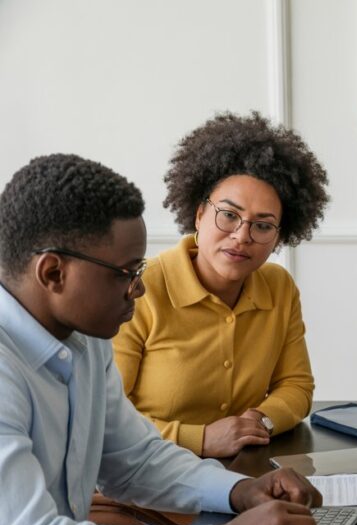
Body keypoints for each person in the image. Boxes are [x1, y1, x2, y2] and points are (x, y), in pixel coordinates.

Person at [0, 154, 322, 525]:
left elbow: (134, 460)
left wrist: (240, 490)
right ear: (53, 272)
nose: (139, 290)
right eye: (126, 274)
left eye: (140, 271)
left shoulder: (84, 343)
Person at [113, 111, 327, 460]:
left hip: (244, 473)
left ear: (278, 237)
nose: (242, 236)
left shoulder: (279, 287)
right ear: (199, 214)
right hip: (144, 479)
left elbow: (296, 386)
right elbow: (106, 419)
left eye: (263, 225)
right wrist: (198, 439)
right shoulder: (141, 288)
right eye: (228, 215)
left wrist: (259, 421)